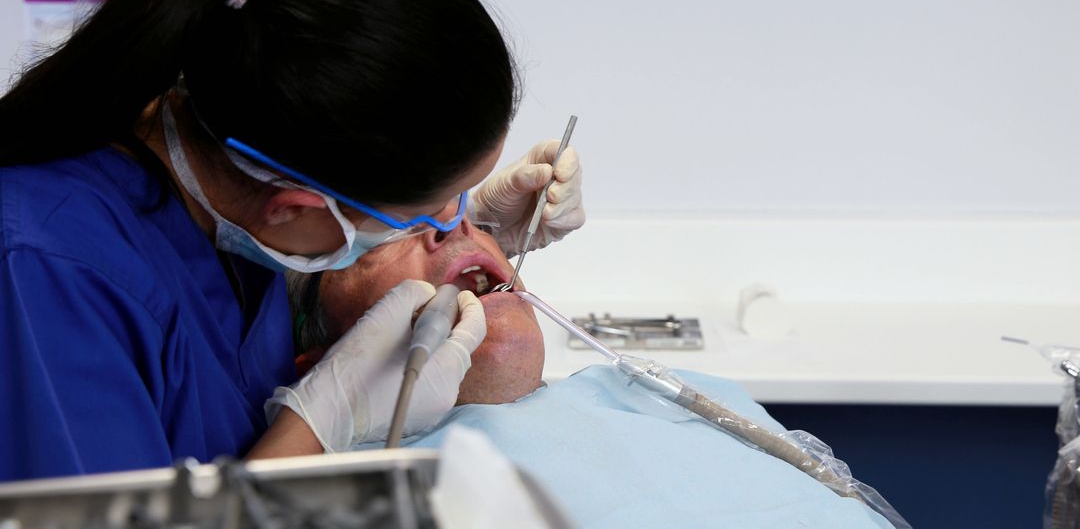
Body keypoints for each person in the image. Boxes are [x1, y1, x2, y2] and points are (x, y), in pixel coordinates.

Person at [0, 0, 584, 481]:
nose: (456, 224)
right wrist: (316, 424)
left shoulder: (227, 170)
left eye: (460, 203)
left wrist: (469, 228)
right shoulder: (46, 278)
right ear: (295, 208)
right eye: (411, 218)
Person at [288, 219, 898, 528]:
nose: (455, 228)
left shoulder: (663, 393)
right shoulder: (356, 500)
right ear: (325, 367)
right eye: (380, 238)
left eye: (464, 212)